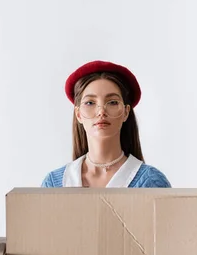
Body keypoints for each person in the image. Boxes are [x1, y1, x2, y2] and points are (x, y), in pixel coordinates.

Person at [41, 60, 171, 188]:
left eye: (113, 102)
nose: (101, 111)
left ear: (126, 112)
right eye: (90, 103)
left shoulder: (152, 183)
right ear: (78, 114)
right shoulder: (54, 184)